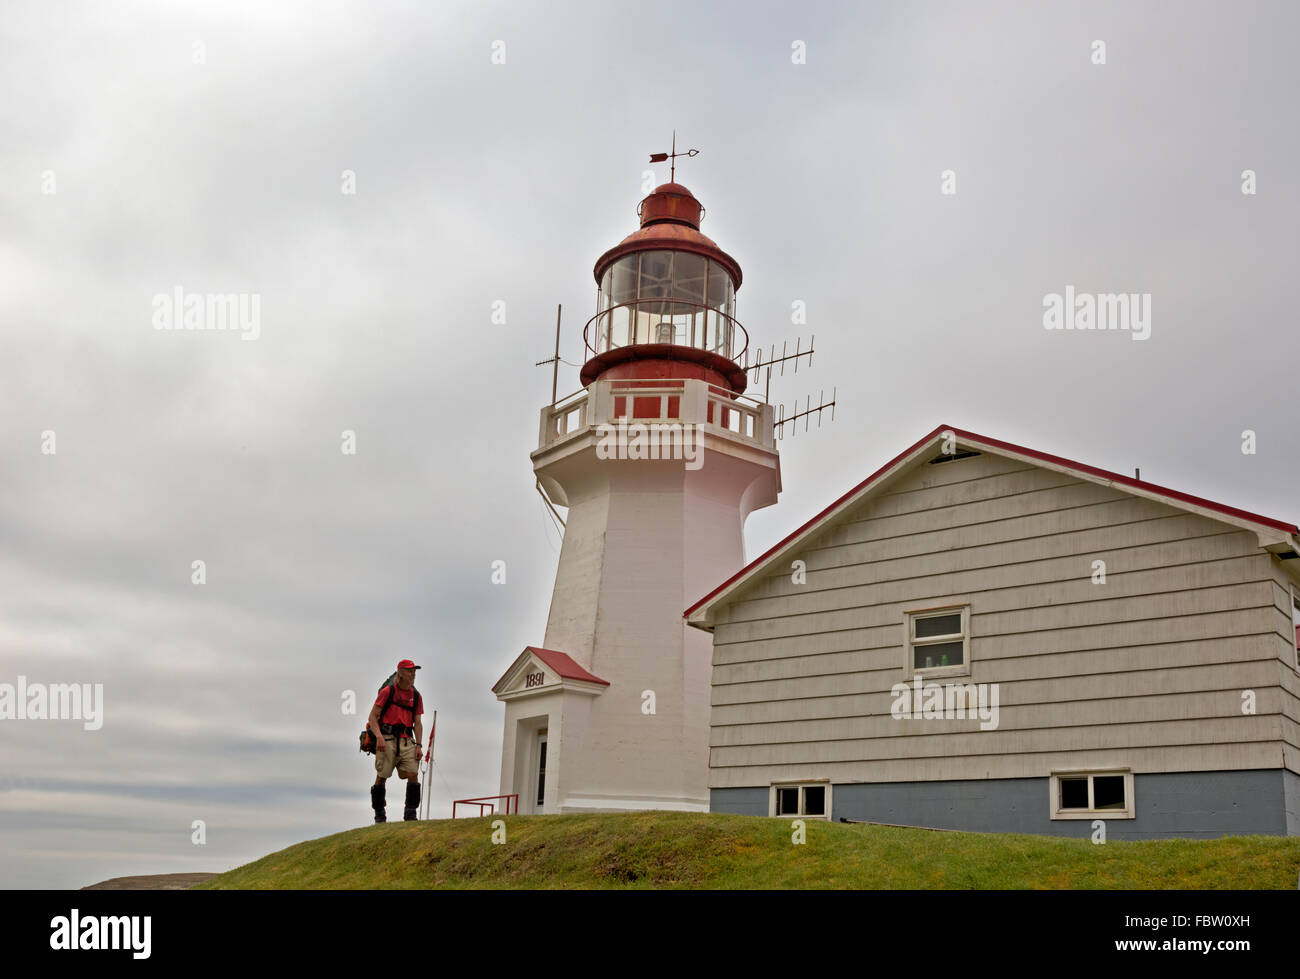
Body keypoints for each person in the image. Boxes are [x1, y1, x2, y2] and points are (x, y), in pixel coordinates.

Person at [367, 659, 424, 823]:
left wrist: (419, 745)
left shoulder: (416, 696)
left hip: (407, 741)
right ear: (400, 673)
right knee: (381, 776)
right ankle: (379, 815)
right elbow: (372, 717)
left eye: (414, 671)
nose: (413, 674)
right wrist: (379, 737)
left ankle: (410, 814)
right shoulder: (387, 692)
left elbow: (418, 723)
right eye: (409, 671)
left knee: (413, 773)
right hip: (387, 739)